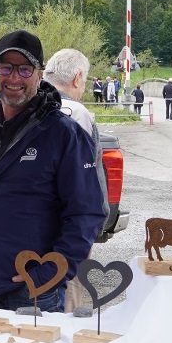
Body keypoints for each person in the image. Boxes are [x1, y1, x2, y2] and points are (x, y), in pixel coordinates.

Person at [0, 30, 105, 313]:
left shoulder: (64, 135)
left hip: (36, 293)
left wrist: (49, 273)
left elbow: (86, 213)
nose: (14, 78)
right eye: (6, 68)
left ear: (39, 75)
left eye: (24, 69)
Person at [43, 48, 109, 313]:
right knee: (68, 291)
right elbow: (86, 177)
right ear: (78, 77)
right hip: (68, 225)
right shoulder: (77, 113)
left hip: (36, 223)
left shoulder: (25, 104)